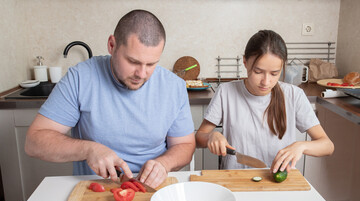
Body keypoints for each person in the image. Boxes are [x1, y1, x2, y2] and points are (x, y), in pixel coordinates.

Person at [25, 10, 195, 188]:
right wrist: (89, 149)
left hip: (153, 189)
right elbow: (34, 142)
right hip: (96, 190)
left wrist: (164, 164)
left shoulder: (174, 86)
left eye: (151, 64)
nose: (142, 74)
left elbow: (185, 145)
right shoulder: (80, 77)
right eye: (133, 61)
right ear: (112, 45)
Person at [195, 30, 334, 173]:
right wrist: (212, 136)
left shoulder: (294, 95)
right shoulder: (225, 92)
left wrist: (301, 146)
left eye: (274, 73)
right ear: (245, 62)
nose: (266, 82)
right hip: (235, 178)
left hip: (277, 181)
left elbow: (327, 146)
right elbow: (199, 138)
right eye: (258, 72)